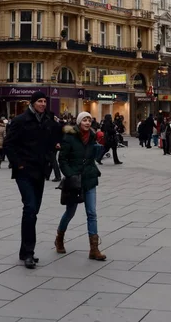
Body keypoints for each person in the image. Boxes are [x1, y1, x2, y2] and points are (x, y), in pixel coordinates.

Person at [4, 91, 55, 269]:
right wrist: (18, 165)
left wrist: (52, 155)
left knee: (34, 211)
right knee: (30, 208)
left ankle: (23, 250)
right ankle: (28, 253)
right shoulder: (20, 121)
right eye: (39, 101)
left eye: (44, 101)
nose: (43, 104)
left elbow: (53, 141)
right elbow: (8, 144)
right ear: (32, 103)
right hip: (24, 172)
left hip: (40, 171)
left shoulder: (47, 121)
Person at [55, 112, 106, 261]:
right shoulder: (69, 137)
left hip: (89, 178)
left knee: (92, 213)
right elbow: (62, 159)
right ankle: (59, 237)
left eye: (89, 120)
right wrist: (70, 175)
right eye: (84, 120)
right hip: (74, 180)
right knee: (70, 212)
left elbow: (93, 157)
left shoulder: (92, 137)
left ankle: (94, 249)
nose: (87, 122)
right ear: (79, 122)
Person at [49, 113, 62, 182]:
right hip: (57, 145)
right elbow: (61, 135)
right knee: (52, 160)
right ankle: (47, 175)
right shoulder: (58, 124)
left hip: (50, 145)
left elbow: (49, 136)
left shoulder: (49, 125)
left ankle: (58, 176)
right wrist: (59, 143)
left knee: (53, 160)